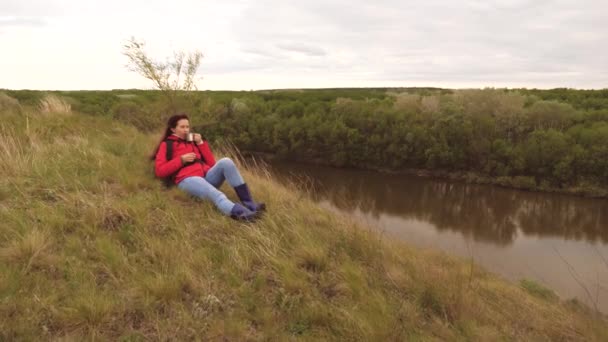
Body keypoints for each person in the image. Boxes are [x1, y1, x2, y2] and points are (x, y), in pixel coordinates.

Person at [152, 113, 265, 221]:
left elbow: (211, 164)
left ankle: (250, 204)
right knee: (218, 195)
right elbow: (160, 171)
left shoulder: (192, 141)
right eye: (182, 127)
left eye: (187, 126)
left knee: (226, 161)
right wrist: (181, 160)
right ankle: (243, 215)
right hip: (187, 180)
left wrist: (201, 143)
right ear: (173, 129)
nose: (186, 130)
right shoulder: (167, 144)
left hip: (205, 177)